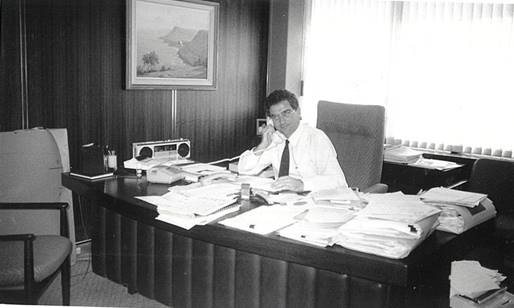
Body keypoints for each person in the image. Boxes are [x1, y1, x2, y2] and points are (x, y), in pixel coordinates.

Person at [238, 89, 348, 192]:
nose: (281, 121)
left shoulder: (316, 138)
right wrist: (263, 145)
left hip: (312, 203)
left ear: (298, 112)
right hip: (280, 203)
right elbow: (243, 170)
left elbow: (338, 181)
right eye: (275, 117)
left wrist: (303, 184)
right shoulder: (275, 139)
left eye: (286, 113)